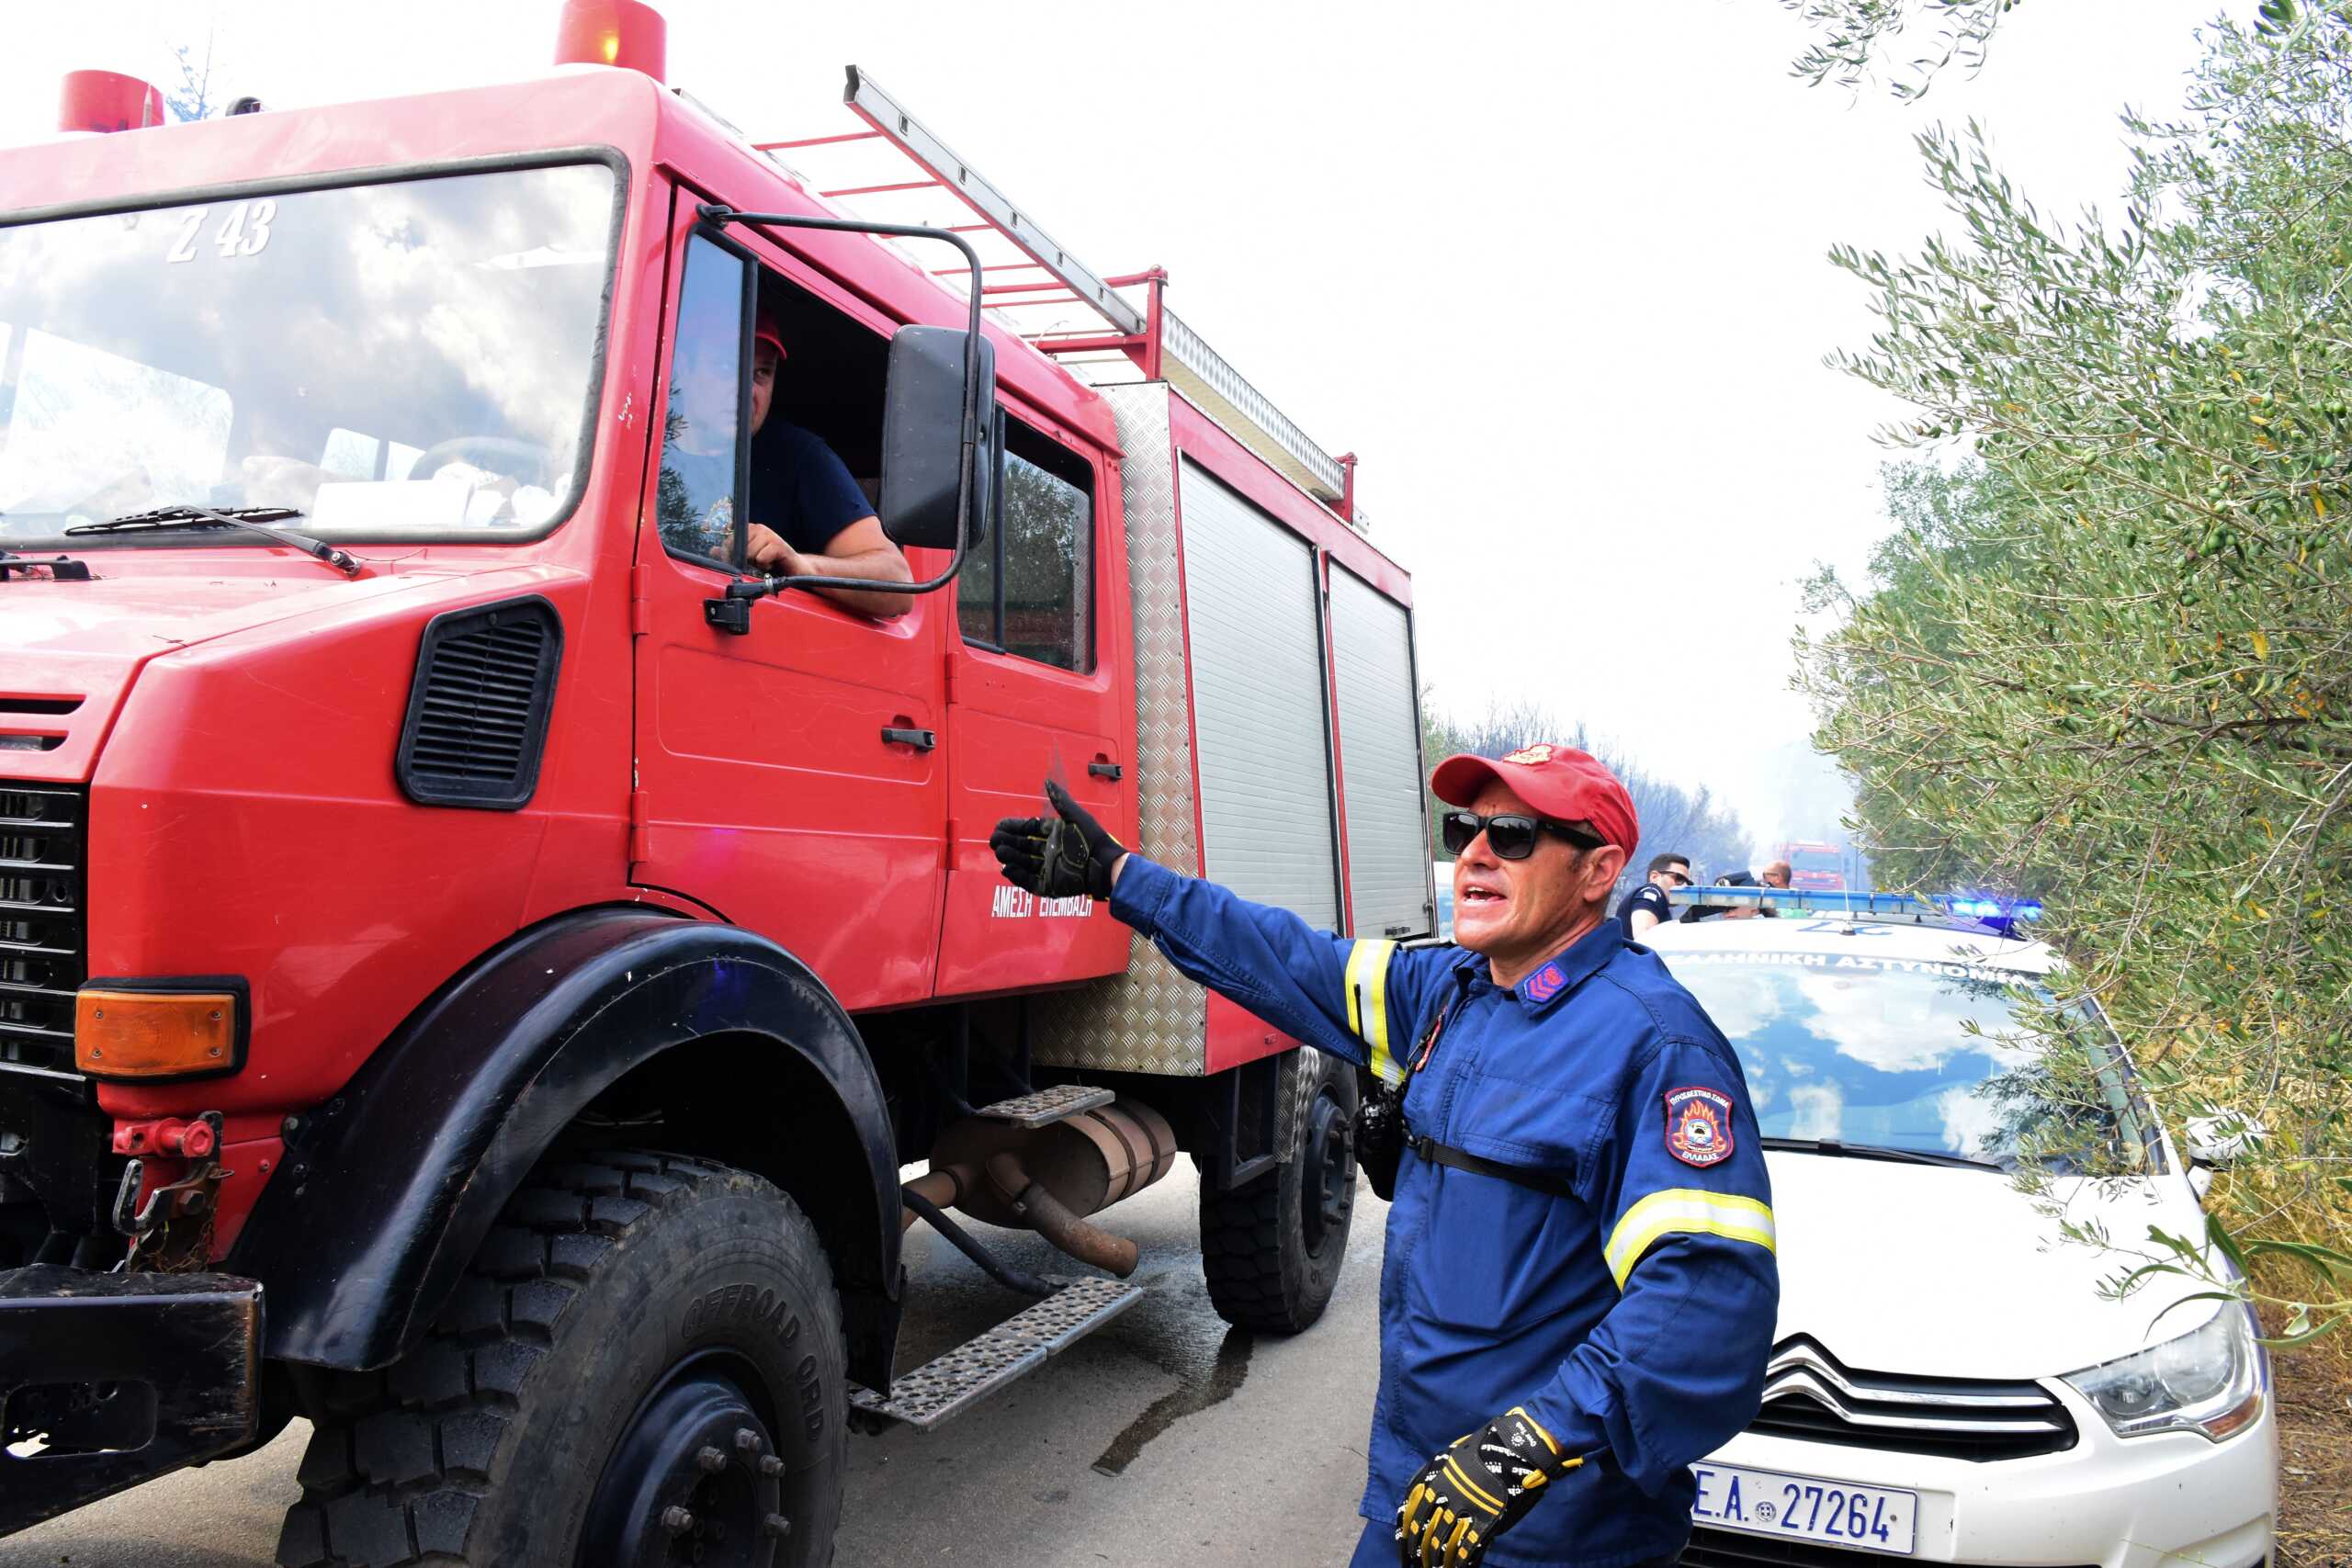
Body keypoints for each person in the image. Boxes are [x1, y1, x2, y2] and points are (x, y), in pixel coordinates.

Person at [989, 744, 1779, 1568]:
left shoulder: (1653, 1045)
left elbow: (1706, 1299)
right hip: (1423, 1503)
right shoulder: (1451, 993)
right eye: (1465, 828)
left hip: (1557, 1530)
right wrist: (1122, 878)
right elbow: (1278, 953)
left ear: (1599, 870)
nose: (1474, 851)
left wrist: (1528, 1445)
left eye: (1512, 833)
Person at [661, 310, 912, 618]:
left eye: (761, 374)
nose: (746, 389)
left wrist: (799, 566)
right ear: (683, 367)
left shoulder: (799, 457)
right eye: (727, 367)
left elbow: (897, 585)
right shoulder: (643, 445)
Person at [1619, 852, 1691, 940]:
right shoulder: (1652, 892)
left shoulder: (1661, 903)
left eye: (1688, 883)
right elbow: (1645, 939)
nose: (1684, 886)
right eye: (1679, 878)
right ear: (1654, 877)